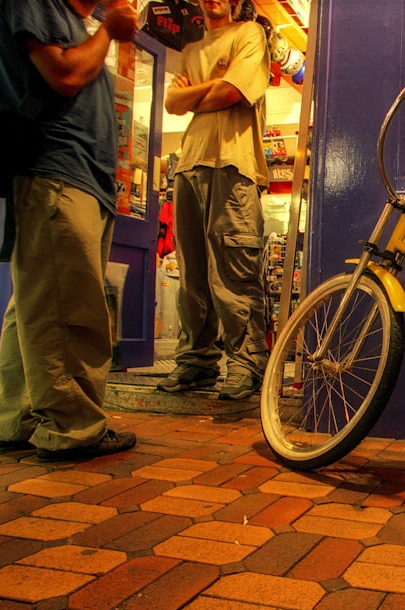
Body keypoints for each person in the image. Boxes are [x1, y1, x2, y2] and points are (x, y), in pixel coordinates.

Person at [0, 0, 140, 462]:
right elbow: (64, 74)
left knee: (37, 305)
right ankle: (73, 428)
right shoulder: (43, 5)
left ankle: (17, 420)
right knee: (69, 307)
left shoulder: (74, 20)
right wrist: (109, 30)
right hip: (58, 171)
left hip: (74, 175)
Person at [159, 0, 270, 400]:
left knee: (234, 273)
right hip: (188, 165)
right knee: (191, 275)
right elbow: (171, 104)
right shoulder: (190, 51)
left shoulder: (250, 34)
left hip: (233, 166)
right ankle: (195, 361)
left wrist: (196, 94)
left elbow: (231, 91)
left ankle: (247, 363)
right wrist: (209, 92)